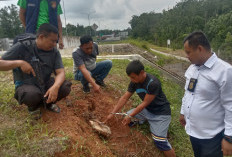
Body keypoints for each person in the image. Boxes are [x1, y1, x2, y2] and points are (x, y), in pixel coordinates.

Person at [105, 60, 176, 157]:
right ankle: (145, 121)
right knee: (126, 119)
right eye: (130, 77)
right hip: (147, 111)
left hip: (160, 114)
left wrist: (131, 115)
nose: (132, 80)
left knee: (160, 141)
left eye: (133, 77)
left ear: (142, 72)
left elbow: (144, 103)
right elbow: (125, 97)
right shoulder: (134, 82)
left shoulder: (153, 83)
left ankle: (161, 130)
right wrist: (112, 113)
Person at [1, 23, 71, 119]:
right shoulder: (22, 46)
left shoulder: (54, 52)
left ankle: (49, 103)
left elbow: (61, 72)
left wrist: (55, 87)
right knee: (32, 95)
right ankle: (33, 107)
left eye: (56, 41)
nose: (55, 44)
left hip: (44, 82)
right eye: (53, 41)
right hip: (26, 84)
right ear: (41, 37)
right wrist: (19, 63)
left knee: (64, 87)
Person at [179, 31, 232, 157]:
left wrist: (229, 137)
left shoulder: (224, 71)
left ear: (200, 49)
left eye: (188, 52)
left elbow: (230, 105)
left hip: (212, 136)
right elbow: (188, 92)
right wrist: (183, 112)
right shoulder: (192, 68)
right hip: (193, 132)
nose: (186, 56)